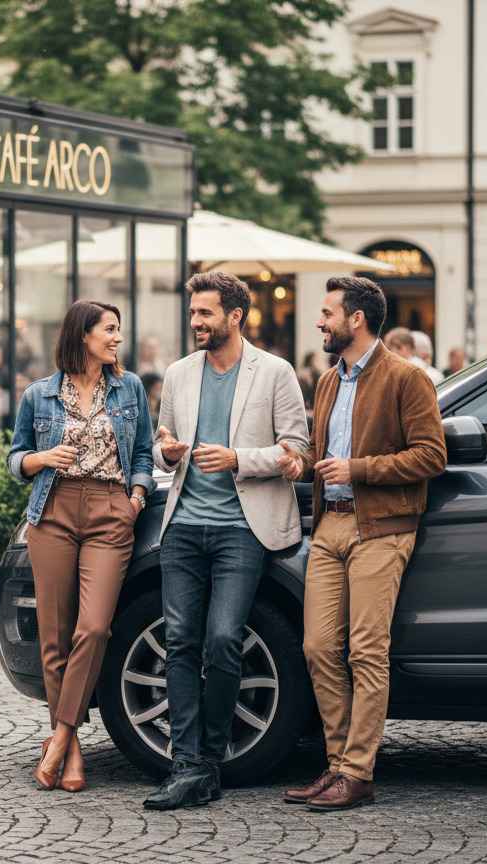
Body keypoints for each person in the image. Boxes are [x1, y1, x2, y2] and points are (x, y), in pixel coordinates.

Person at [277, 276, 446, 811]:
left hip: (383, 528)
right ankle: (336, 766)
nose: (319, 322)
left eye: (327, 313)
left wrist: (359, 469)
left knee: (366, 651)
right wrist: (299, 464)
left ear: (356, 319)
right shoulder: (328, 382)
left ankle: (358, 773)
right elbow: (321, 456)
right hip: (330, 527)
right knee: (318, 647)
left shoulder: (406, 378)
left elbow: (431, 456)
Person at [141, 271, 308, 811]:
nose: (195, 322)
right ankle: (187, 765)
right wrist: (167, 453)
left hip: (244, 528)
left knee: (222, 640)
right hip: (183, 526)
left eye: (205, 313)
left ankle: (209, 760)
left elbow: (295, 452)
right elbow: (161, 445)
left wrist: (238, 458)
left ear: (236, 316)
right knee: (181, 643)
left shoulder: (276, 372)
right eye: (193, 313)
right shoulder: (178, 373)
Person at [7, 299, 155, 794]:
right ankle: (69, 753)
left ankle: (60, 735)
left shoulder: (129, 388)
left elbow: (141, 453)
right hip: (54, 510)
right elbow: (14, 459)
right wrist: (42, 457)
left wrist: (135, 498)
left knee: (93, 628)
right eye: (109, 330)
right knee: (55, 634)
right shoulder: (39, 394)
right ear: (83, 335)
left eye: (118, 330)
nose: (117, 338)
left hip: (112, 511)